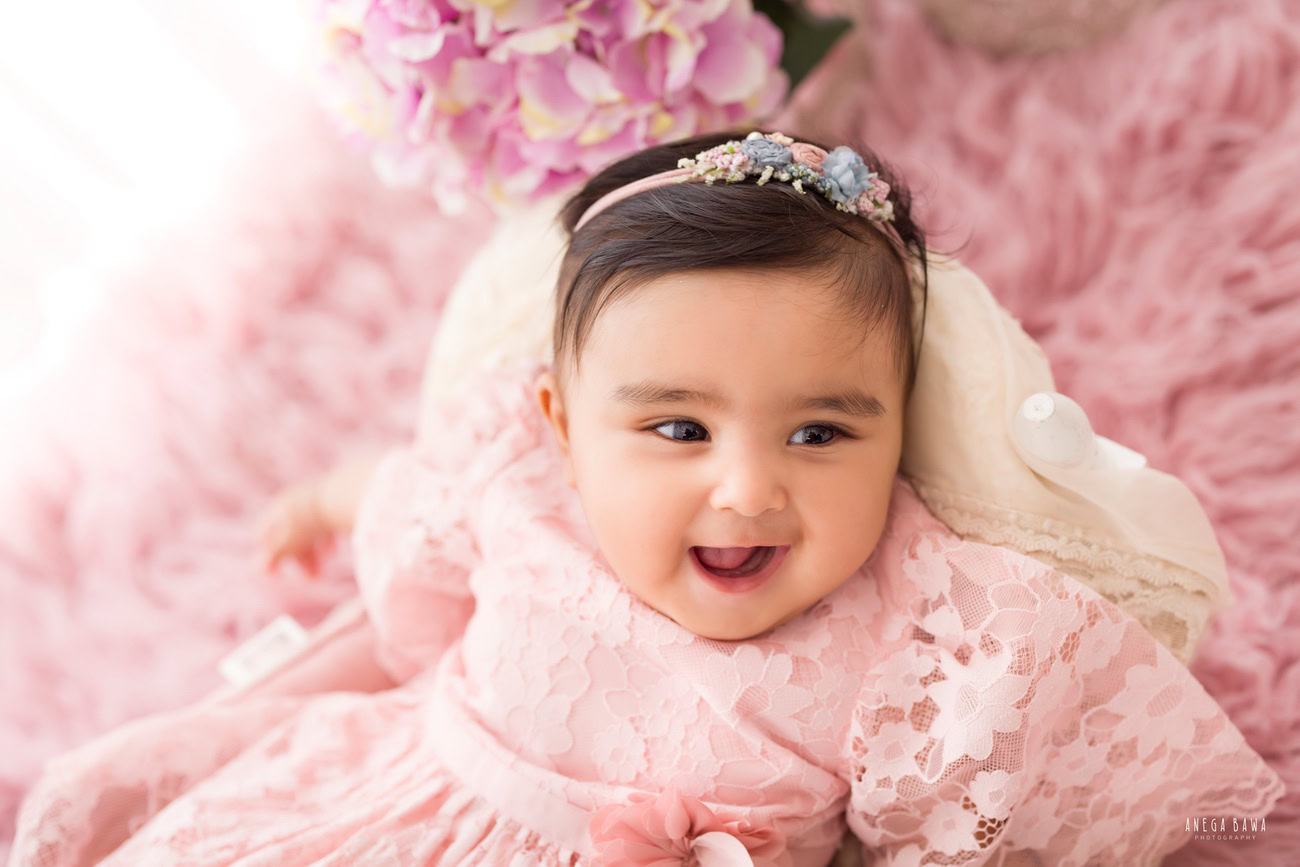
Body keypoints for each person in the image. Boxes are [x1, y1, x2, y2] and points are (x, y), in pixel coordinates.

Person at [12, 131, 1280, 866]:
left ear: (899, 435)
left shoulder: (921, 630)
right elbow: (425, 494)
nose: (747, 489)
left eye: (823, 430)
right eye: (675, 426)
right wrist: (338, 498)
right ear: (568, 428)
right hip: (370, 811)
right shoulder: (526, 479)